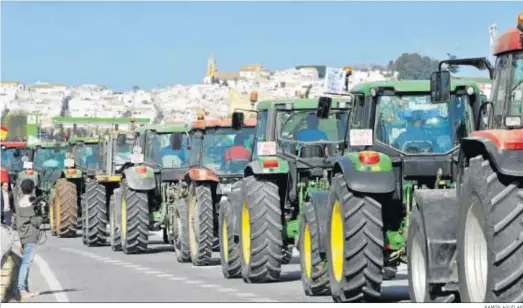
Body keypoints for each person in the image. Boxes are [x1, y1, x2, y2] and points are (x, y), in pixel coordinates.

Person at [16, 179, 42, 299]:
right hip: (30, 236)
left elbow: (18, 223)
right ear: (32, 188)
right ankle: (22, 289)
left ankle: (25, 288)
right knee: (26, 263)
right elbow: (36, 223)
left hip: (23, 236)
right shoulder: (31, 205)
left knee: (24, 262)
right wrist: (41, 214)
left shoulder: (19, 203)